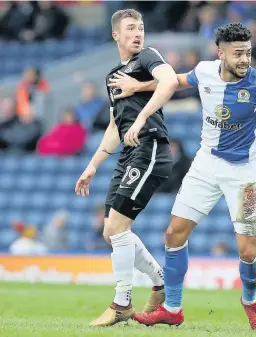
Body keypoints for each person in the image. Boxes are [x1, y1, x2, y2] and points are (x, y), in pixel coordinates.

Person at [109, 22, 256, 330]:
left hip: (244, 173)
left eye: (248, 53)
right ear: (220, 53)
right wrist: (138, 87)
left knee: (248, 251)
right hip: (206, 165)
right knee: (174, 234)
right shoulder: (204, 72)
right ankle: (173, 309)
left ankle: (250, 303)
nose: (245, 60)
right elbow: (174, 82)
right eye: (238, 53)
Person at [74, 8, 179, 327]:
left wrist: (144, 117)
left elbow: (171, 81)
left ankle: (122, 303)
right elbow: (113, 127)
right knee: (111, 231)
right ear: (115, 34)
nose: (138, 33)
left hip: (149, 148)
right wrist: (92, 165)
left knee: (117, 228)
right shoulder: (112, 77)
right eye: (131, 28)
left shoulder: (147, 57)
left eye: (141, 28)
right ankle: (159, 282)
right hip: (128, 154)